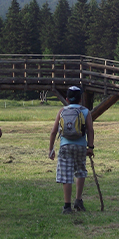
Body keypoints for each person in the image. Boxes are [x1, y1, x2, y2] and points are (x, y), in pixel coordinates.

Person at [48, 86, 94, 214]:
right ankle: (78, 200)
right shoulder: (85, 111)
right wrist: (90, 147)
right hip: (80, 146)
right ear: (80, 99)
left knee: (66, 175)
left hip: (65, 146)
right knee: (80, 171)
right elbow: (90, 130)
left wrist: (51, 149)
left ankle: (67, 206)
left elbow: (53, 131)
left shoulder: (62, 111)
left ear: (67, 99)